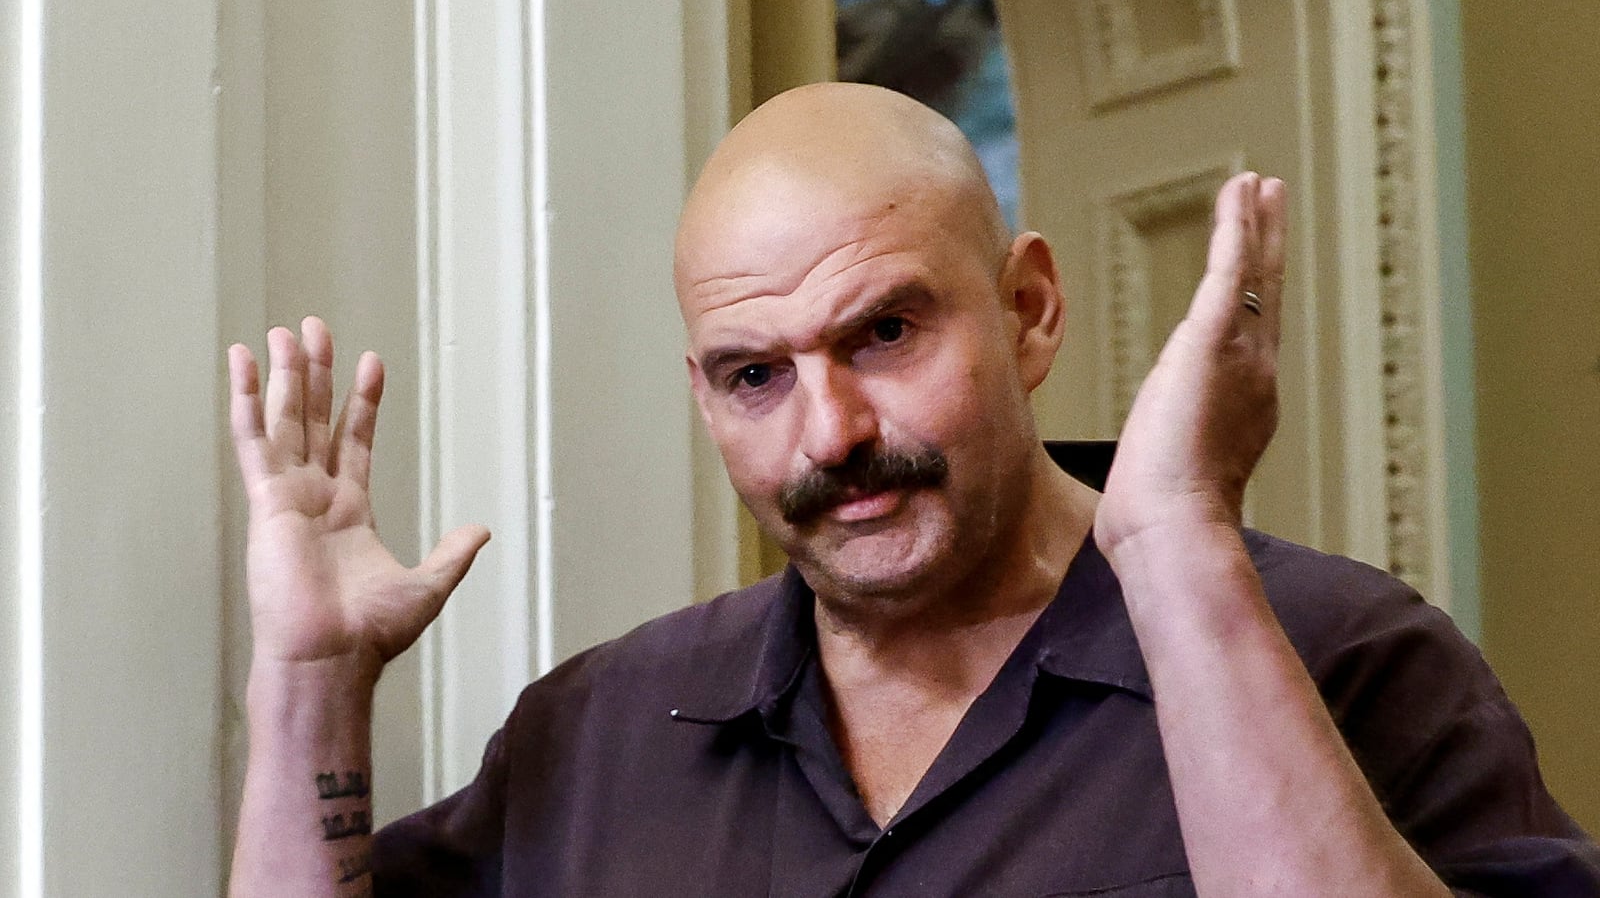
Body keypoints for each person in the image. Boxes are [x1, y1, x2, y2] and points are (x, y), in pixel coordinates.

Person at [225, 83, 1599, 896]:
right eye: (755, 374)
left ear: (1030, 310)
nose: (830, 433)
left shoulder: (1342, 656)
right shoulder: (597, 735)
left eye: (884, 332)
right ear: (704, 395)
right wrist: (313, 686)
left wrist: (1182, 545)